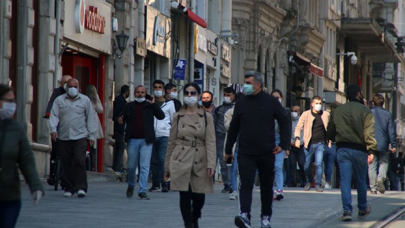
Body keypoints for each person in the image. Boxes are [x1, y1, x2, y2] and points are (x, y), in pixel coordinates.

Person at [225, 71, 289, 228]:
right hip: (245, 152)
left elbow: (284, 121)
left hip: (267, 151)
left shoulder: (271, 101)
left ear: (258, 84)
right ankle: (244, 215)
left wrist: (284, 144)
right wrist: (228, 150)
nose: (245, 86)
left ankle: (265, 218)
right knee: (245, 184)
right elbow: (234, 127)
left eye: (248, 83)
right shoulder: (241, 103)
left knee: (267, 187)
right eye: (244, 82)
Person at [164, 82, 216, 228]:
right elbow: (171, 141)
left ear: (198, 96)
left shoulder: (206, 117)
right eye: (187, 93)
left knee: (199, 195)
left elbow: (211, 141)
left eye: (193, 93)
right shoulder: (178, 116)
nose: (189, 96)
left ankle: (195, 214)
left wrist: (211, 164)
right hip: (181, 156)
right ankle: (188, 223)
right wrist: (167, 166)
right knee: (184, 194)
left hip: (200, 157)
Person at [327, 84, 376, 221]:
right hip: (360, 150)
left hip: (343, 149)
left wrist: (333, 138)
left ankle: (347, 211)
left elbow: (330, 130)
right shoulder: (365, 111)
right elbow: (369, 132)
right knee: (361, 180)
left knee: (345, 181)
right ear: (358, 95)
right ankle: (362, 208)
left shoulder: (338, 110)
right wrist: (371, 149)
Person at [0, 84, 44, 228]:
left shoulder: (16, 129)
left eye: (13, 101)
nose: (12, 105)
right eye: (8, 101)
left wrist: (36, 186)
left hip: (10, 195)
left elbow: (27, 160)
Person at [50, 78, 98, 198]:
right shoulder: (59, 100)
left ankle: (81, 187)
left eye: (75, 87)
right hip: (64, 136)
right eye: (70, 86)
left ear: (79, 88)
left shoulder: (85, 100)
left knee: (79, 160)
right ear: (66, 87)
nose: (72, 89)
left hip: (80, 135)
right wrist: (53, 129)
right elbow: (54, 115)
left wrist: (92, 135)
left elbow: (91, 117)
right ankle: (69, 188)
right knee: (66, 162)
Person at [117, 85, 165, 200]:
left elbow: (161, 116)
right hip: (132, 140)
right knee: (131, 166)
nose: (140, 94)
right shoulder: (129, 106)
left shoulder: (150, 106)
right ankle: (131, 185)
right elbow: (119, 117)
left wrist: (154, 104)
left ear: (145, 93)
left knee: (144, 166)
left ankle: (142, 190)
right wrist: (119, 119)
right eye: (138, 92)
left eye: (142, 92)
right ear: (134, 93)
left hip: (146, 140)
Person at [294, 96, 330, 192]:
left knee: (319, 164)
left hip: (320, 143)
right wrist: (297, 138)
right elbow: (298, 127)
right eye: (316, 103)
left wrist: (330, 140)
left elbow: (329, 128)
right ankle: (309, 181)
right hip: (308, 144)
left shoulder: (325, 114)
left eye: (320, 103)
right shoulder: (306, 114)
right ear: (312, 104)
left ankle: (317, 184)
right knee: (306, 165)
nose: (318, 105)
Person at [44, 75, 72, 185]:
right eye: (64, 82)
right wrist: (48, 112)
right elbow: (51, 102)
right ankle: (52, 174)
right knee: (55, 149)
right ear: (61, 83)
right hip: (57, 123)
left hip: (69, 125)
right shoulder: (57, 92)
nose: (66, 84)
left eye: (68, 82)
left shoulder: (74, 93)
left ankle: (66, 175)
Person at [149, 80, 175, 192]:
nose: (157, 89)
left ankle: (165, 183)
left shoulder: (170, 104)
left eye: (160, 87)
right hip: (152, 135)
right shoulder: (149, 103)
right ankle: (155, 184)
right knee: (153, 160)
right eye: (155, 87)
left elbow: (174, 120)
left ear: (164, 90)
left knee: (163, 159)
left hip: (165, 135)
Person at [368, 94, 396, 194]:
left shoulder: (369, 113)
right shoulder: (388, 114)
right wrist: (393, 145)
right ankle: (381, 178)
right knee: (384, 162)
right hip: (383, 143)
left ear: (373, 103)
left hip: (371, 142)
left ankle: (373, 188)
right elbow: (391, 131)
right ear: (383, 103)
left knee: (372, 165)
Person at [213, 87, 235, 193]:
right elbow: (214, 124)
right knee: (223, 161)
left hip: (233, 137)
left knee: (233, 161)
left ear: (233, 96)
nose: (226, 97)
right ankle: (227, 184)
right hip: (220, 137)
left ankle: (234, 183)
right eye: (225, 94)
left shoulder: (236, 108)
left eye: (229, 95)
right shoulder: (219, 109)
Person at [270, 89, 291, 200]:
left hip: (280, 141)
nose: (275, 99)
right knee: (269, 167)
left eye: (277, 97)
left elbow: (287, 130)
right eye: (273, 97)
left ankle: (279, 190)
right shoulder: (267, 110)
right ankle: (269, 189)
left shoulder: (285, 111)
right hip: (268, 141)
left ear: (281, 98)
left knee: (278, 166)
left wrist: (286, 146)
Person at [224, 92, 244, 200]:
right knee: (234, 167)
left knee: (244, 169)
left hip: (247, 144)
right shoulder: (229, 112)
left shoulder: (248, 111)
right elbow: (228, 127)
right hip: (236, 145)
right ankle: (234, 189)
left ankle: (242, 186)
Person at [84, 84, 104, 171]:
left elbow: (100, 110)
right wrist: (97, 100)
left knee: (87, 145)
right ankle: (92, 166)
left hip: (86, 124)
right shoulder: (88, 100)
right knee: (92, 147)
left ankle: (89, 166)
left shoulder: (86, 99)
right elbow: (100, 109)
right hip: (91, 124)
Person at [112, 85, 129, 173]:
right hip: (118, 127)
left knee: (120, 147)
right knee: (120, 146)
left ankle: (118, 166)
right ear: (126, 92)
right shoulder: (120, 100)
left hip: (120, 127)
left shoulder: (121, 100)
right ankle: (117, 166)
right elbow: (117, 113)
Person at [289, 105, 306, 187]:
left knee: (302, 164)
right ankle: (293, 182)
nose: (293, 113)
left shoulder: (302, 121)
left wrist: (299, 141)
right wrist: (291, 142)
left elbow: (305, 134)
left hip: (301, 146)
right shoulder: (288, 121)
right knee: (292, 164)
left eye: (295, 111)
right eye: (292, 110)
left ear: (299, 112)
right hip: (291, 146)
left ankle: (304, 181)